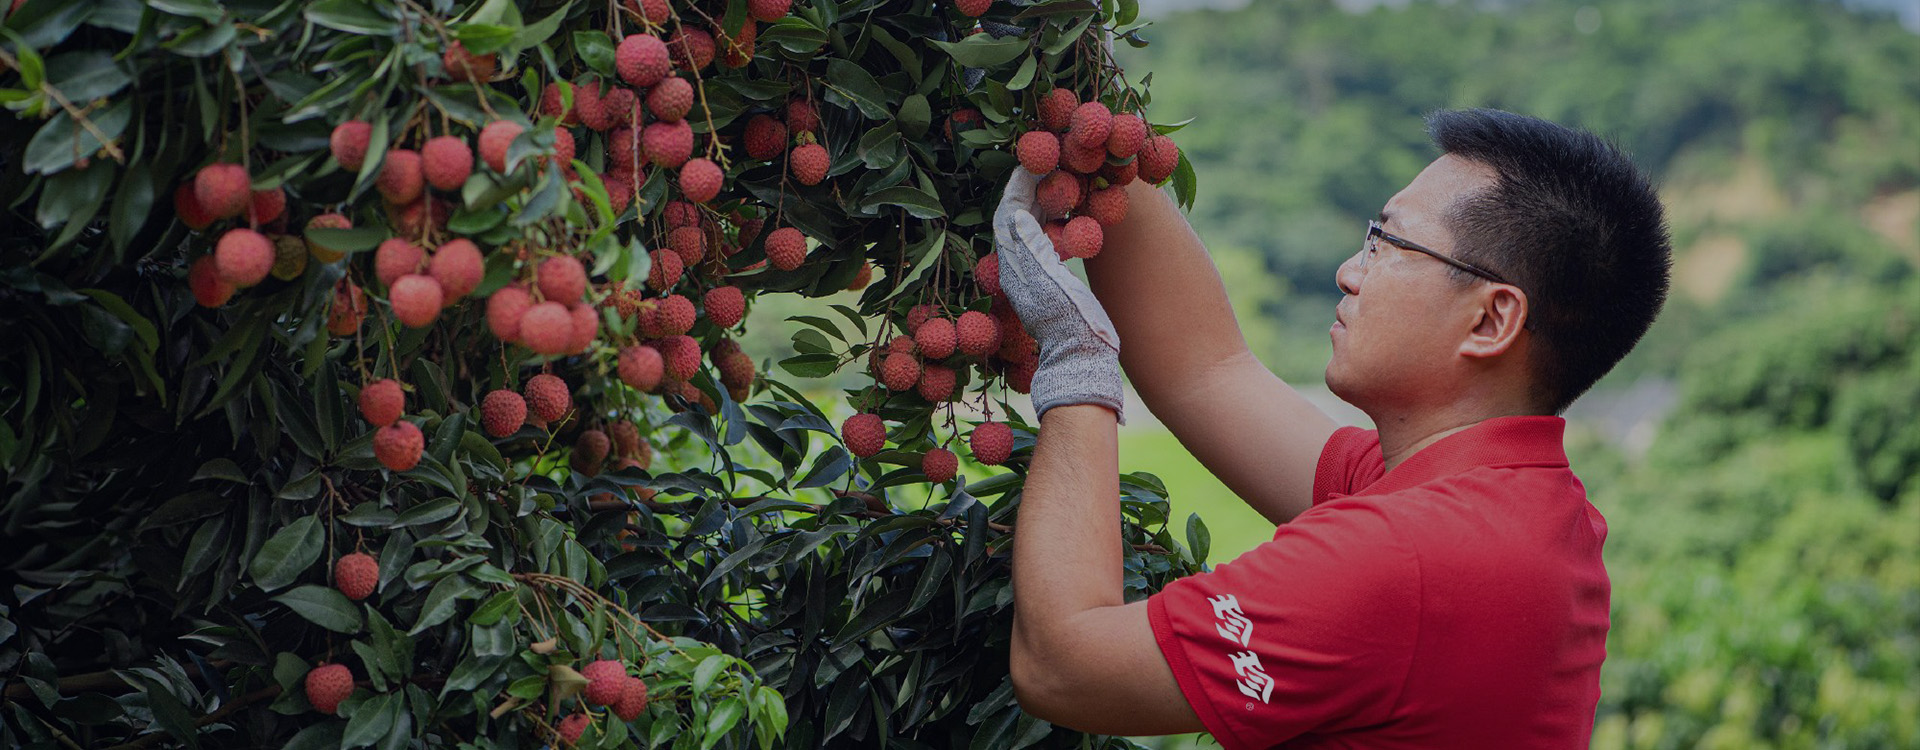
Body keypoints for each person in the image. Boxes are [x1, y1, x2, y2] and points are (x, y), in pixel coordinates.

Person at [994, 108, 1671, 748]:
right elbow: (1206, 371)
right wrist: (1095, 119)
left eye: (1387, 244)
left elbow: (1062, 665)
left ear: (1491, 320)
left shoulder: (1407, 560)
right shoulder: (1504, 501)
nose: (1349, 273)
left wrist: (1075, 359)